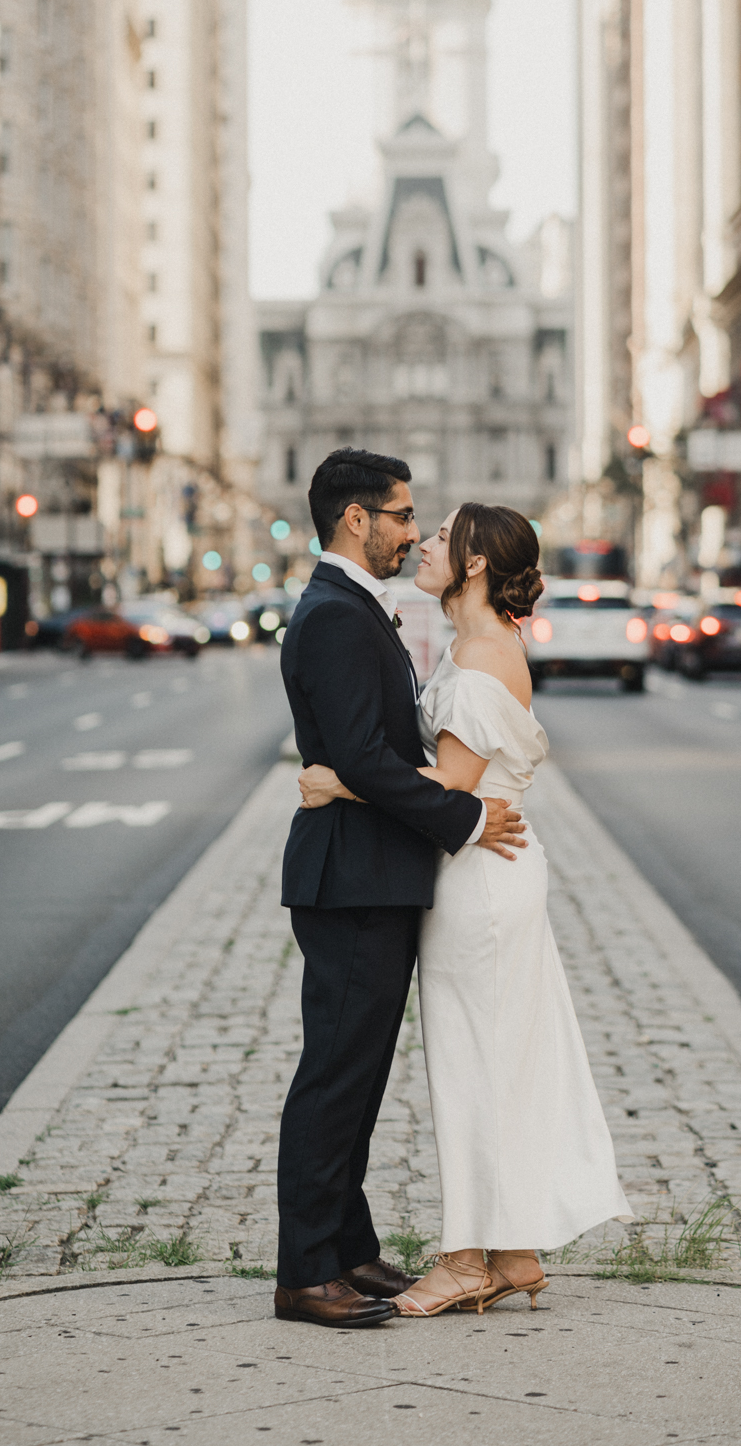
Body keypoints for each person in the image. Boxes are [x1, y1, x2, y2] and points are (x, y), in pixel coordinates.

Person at [299, 503, 633, 1317]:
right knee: (494, 1057)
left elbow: (447, 787)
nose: (423, 542)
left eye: (442, 536)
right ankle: (511, 1250)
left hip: (480, 877)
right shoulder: (476, 644)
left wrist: (334, 781)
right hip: (482, 868)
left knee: (471, 1064)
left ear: (477, 564)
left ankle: (463, 1261)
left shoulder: (484, 653)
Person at [274, 452, 528, 1329]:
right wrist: (461, 819)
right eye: (401, 514)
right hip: (351, 877)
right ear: (356, 519)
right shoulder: (339, 614)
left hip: (368, 869)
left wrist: (348, 780)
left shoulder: (354, 608)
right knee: (334, 1078)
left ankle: (347, 1249)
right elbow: (365, 758)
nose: (413, 530)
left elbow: (361, 760)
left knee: (359, 1076)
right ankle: (306, 1272)